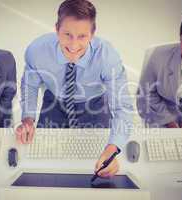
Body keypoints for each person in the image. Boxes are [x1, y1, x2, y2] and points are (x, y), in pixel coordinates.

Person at [16, 0, 133, 178]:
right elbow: (30, 86)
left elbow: (122, 108)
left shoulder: (107, 57)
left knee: (94, 160)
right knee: (42, 161)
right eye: (67, 34)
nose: (73, 44)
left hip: (94, 104)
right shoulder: (36, 50)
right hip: (54, 102)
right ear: (57, 29)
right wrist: (28, 118)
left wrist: (113, 148)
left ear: (92, 34)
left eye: (82, 36)